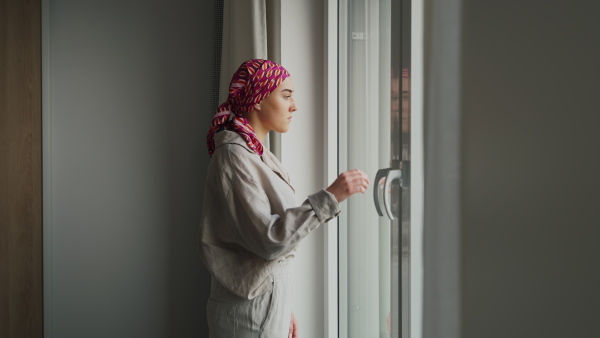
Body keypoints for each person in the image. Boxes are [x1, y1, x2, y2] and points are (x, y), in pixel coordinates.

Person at [198, 59, 370, 338]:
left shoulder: (256, 153)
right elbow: (269, 239)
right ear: (256, 99)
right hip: (248, 318)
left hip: (263, 308)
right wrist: (331, 197)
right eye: (286, 95)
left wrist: (282, 306)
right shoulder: (234, 156)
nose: (295, 106)